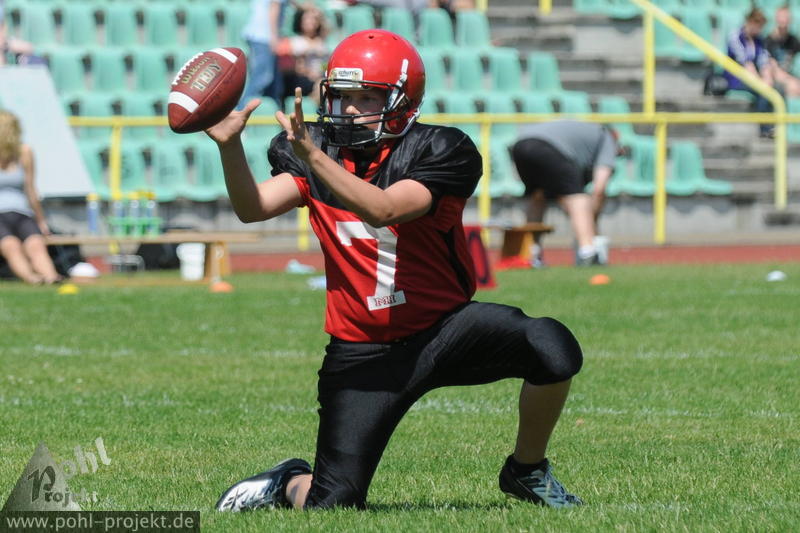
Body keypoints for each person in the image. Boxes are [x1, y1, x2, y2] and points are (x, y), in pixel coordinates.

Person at [209, 30, 584, 511]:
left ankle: (526, 470)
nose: (350, 109)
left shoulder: (440, 148)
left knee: (550, 345)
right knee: (333, 505)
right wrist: (229, 147)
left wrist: (314, 158)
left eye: (367, 97)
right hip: (362, 351)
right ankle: (288, 482)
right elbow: (253, 208)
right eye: (343, 96)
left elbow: (384, 208)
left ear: (404, 102)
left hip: (443, 331)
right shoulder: (313, 149)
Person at [510, 120, 617, 267]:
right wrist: (590, 220)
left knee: (537, 196)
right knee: (577, 197)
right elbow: (599, 189)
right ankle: (588, 252)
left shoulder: (583, 132)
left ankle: (531, 254)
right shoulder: (607, 137)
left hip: (520, 147)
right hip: (549, 147)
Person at [0, 110, 62, 284]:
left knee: (36, 244)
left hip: (21, 212)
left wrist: (41, 221)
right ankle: (32, 278)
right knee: (11, 245)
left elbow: (31, 189)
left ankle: (52, 277)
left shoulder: (24, 152)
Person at [724, 8, 779, 137]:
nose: (759, 29)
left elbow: (763, 61)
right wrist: (761, 82)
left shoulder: (758, 40)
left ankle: (774, 126)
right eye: (758, 25)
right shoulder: (735, 36)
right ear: (750, 22)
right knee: (763, 90)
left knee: (776, 88)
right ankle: (765, 128)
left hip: (753, 78)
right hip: (736, 79)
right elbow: (746, 64)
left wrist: (767, 76)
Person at [238, 0, 288, 110]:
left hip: (259, 36)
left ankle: (275, 112)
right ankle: (240, 111)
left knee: (273, 83)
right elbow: (274, 7)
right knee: (262, 78)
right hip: (264, 37)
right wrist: (274, 38)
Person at [278, 4, 330, 103]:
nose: (310, 22)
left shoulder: (322, 43)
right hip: (300, 79)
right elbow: (290, 67)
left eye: (314, 19)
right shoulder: (294, 41)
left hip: (319, 77)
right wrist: (308, 72)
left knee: (325, 84)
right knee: (322, 86)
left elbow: (324, 65)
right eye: (307, 19)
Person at [765, 5, 800, 97]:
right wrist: (792, 81)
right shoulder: (768, 41)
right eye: (781, 17)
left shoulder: (793, 40)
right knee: (793, 88)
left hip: (789, 76)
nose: (784, 20)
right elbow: (772, 69)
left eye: (786, 17)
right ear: (776, 18)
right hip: (774, 78)